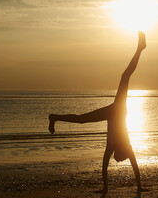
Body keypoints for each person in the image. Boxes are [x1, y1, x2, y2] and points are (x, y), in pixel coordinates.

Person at [48, 31, 147, 194]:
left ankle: (55, 117)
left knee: (82, 119)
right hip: (117, 109)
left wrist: (107, 188)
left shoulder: (117, 147)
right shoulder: (123, 147)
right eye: (120, 156)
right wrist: (137, 187)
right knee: (124, 77)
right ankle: (140, 48)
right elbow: (127, 166)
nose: (121, 155)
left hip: (115, 110)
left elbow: (107, 167)